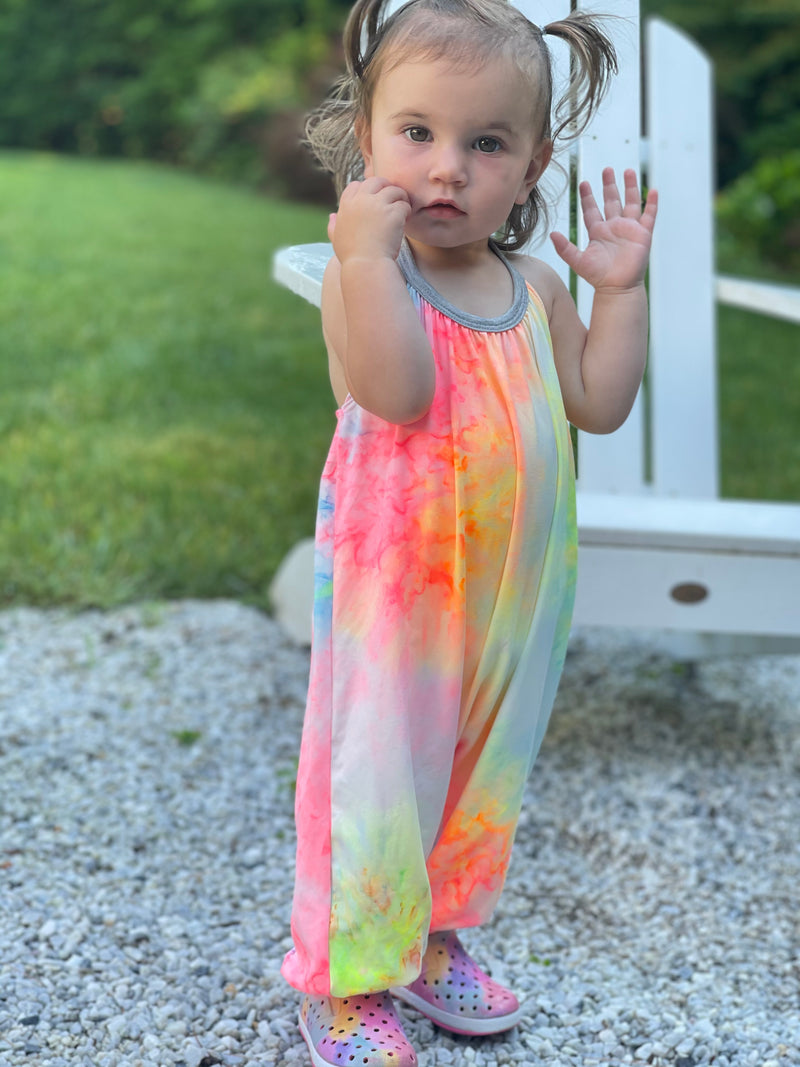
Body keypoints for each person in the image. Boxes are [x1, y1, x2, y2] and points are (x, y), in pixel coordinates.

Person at [281, 2, 658, 1064]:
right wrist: (359, 256)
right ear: (366, 144)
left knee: (479, 771)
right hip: (395, 596)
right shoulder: (374, 280)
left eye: (483, 144)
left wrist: (619, 293)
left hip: (512, 591)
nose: (446, 168)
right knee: (376, 772)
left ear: (530, 165)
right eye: (417, 134)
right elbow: (394, 392)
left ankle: (436, 932)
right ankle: (347, 978)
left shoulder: (533, 285)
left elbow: (595, 399)